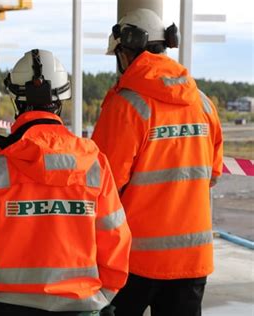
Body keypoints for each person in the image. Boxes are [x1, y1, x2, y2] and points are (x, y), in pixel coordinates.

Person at [0, 49, 132, 316]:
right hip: (80, 303)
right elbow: (115, 235)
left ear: (17, 100)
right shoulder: (94, 162)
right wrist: (104, 292)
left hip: (8, 305)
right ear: (61, 100)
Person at [91, 8, 223, 316]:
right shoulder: (203, 103)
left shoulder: (126, 105)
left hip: (133, 259)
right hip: (192, 259)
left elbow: (102, 185)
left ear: (125, 52)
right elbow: (212, 174)